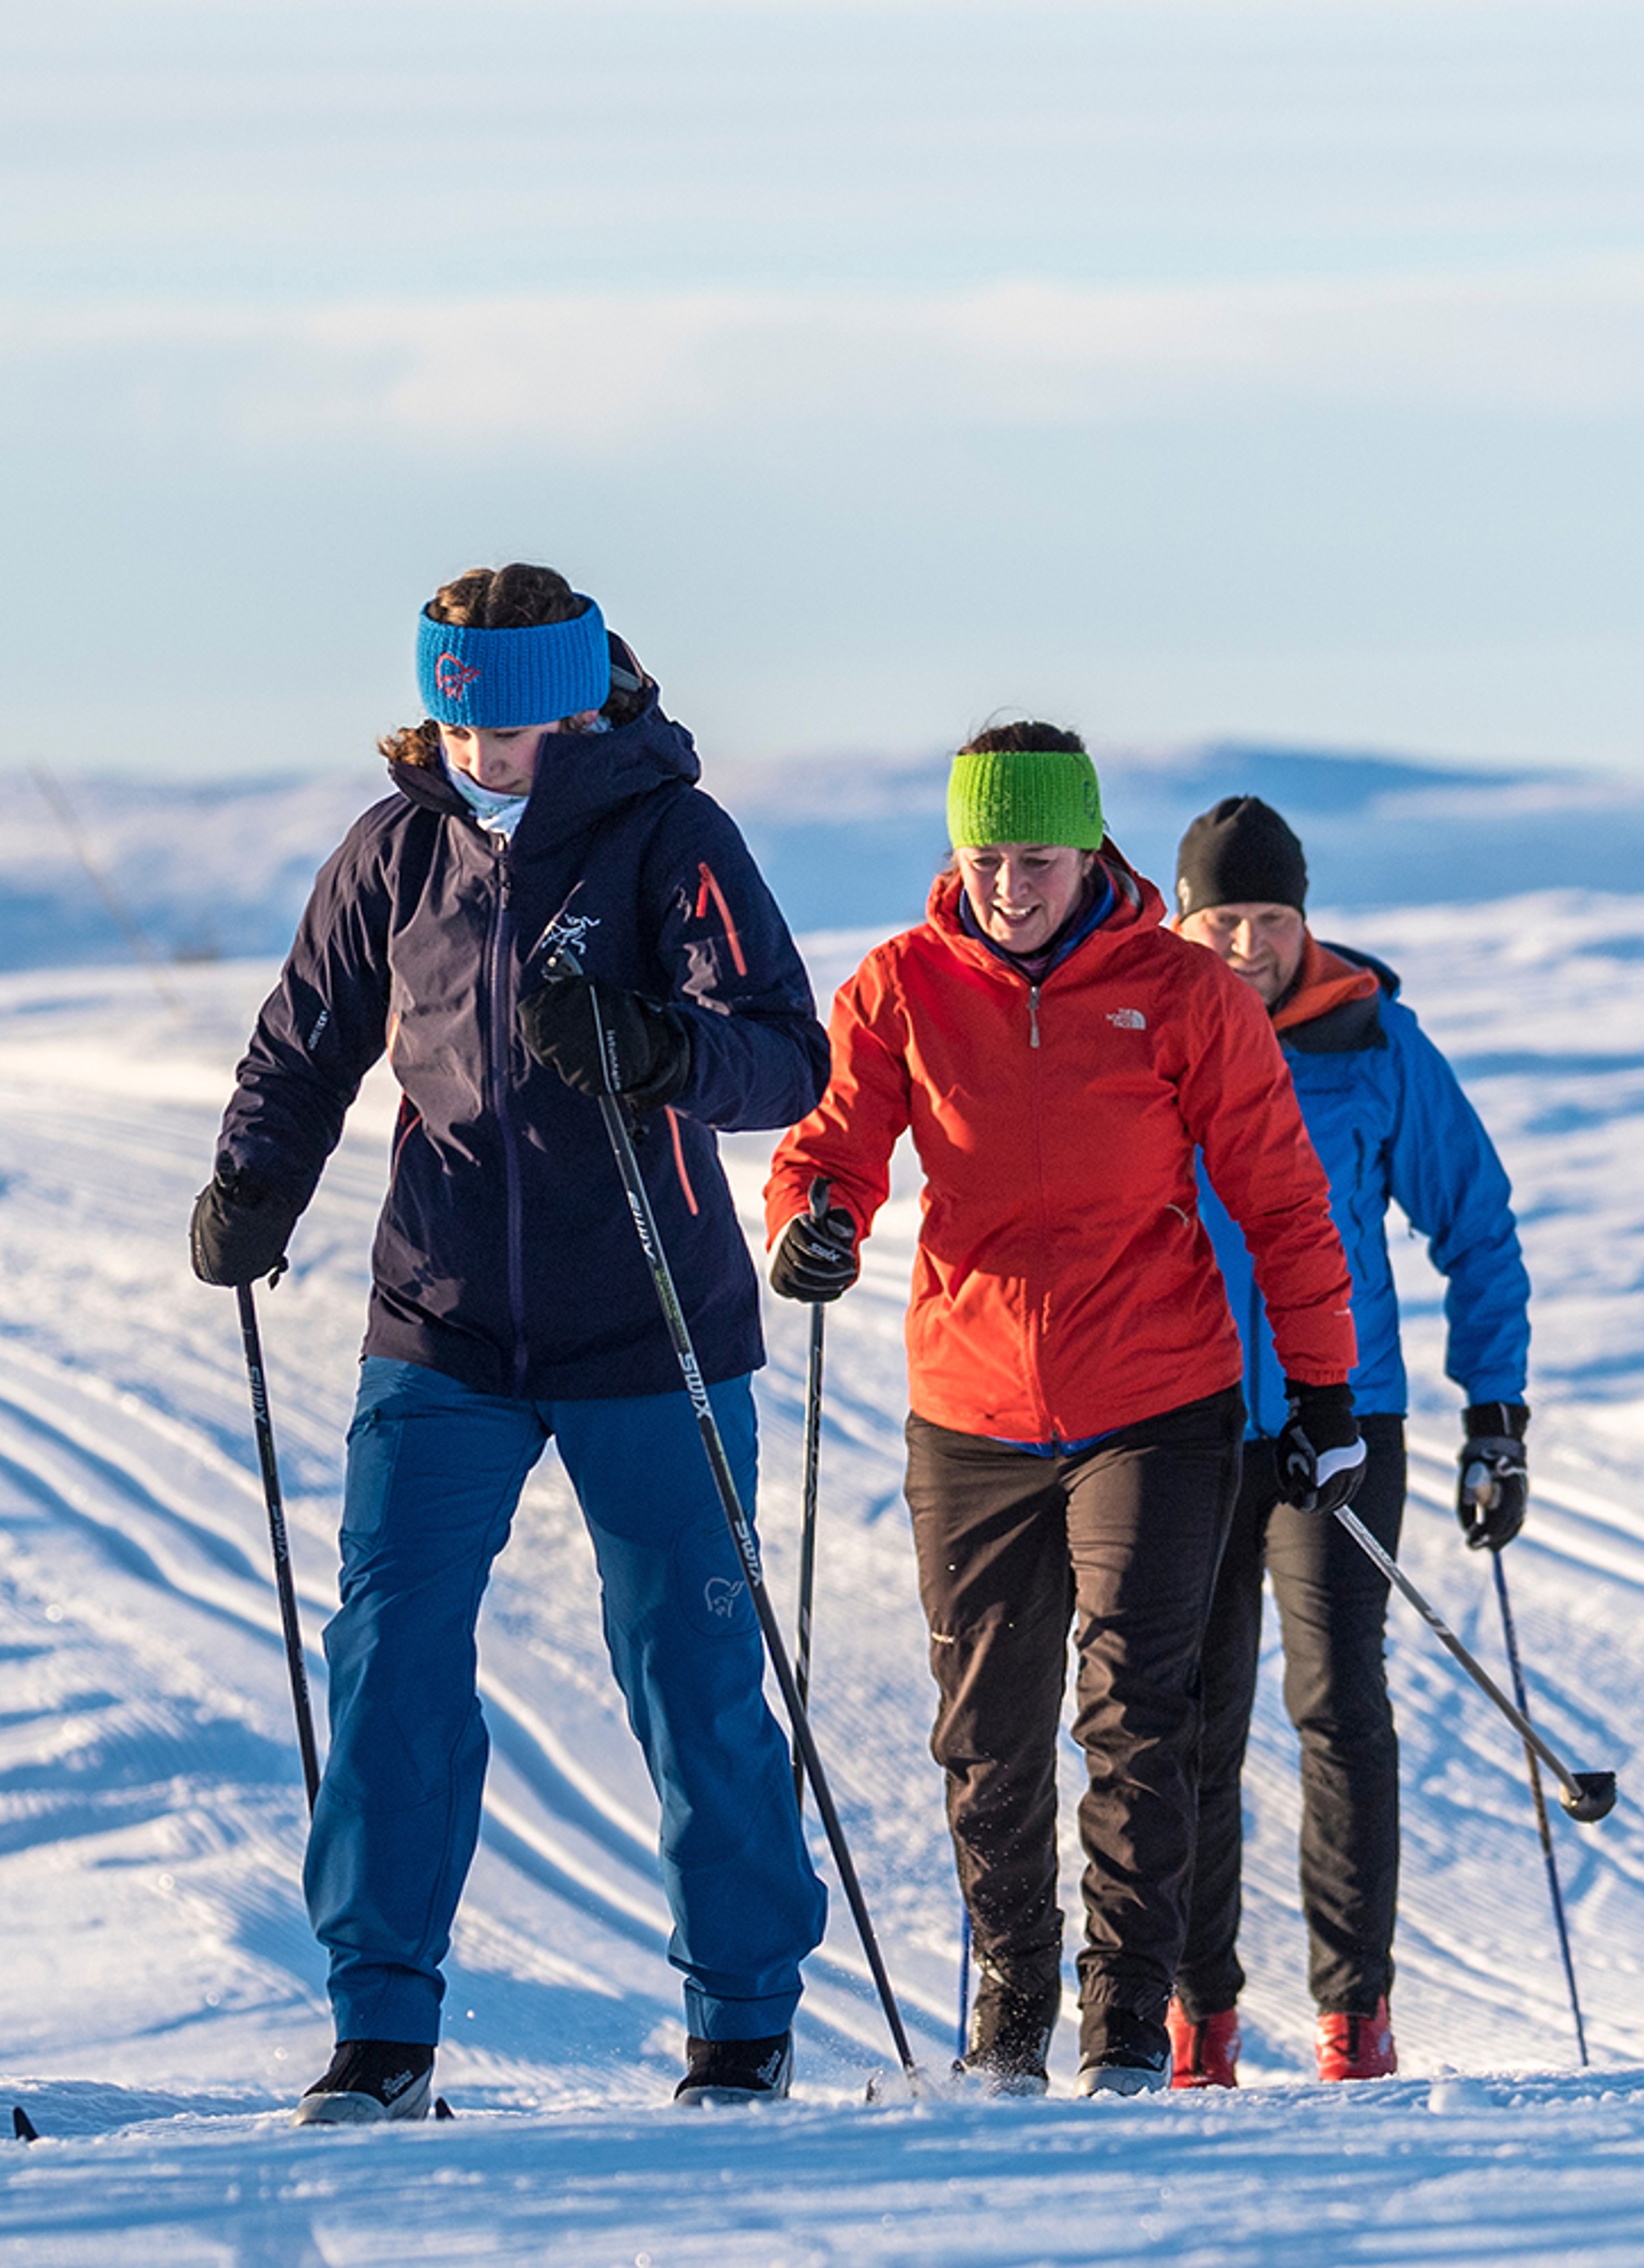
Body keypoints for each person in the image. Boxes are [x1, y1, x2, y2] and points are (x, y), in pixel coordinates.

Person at [190, 563, 829, 2120]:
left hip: (652, 1322)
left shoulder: (674, 834)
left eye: (520, 720)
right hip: (442, 1321)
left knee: (691, 1670)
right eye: (464, 721)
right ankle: (382, 2029)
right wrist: (256, 1183)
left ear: (581, 694)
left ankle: (744, 2022)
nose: (489, 752)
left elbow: (785, 1056)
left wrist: (663, 1047)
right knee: (393, 1656)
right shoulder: (393, 851)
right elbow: (308, 1038)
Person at [765, 725, 1362, 2098]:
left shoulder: (1180, 992)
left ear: (1088, 850)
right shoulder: (904, 985)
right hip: (970, 1410)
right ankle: (1013, 2010)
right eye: (985, 859)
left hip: (1155, 1397)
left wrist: (1324, 1386)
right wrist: (815, 1220)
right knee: (985, 1729)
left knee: (1138, 1711)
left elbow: (1280, 1198)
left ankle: (1123, 2025)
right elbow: (831, 1146)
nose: (1007, 888)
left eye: (1033, 860)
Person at [1170, 794, 1531, 2087]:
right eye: (1226, 918)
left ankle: (1353, 2017)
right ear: (1186, 917)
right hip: (1186, 1417)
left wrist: (1497, 1415)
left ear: (1303, 918)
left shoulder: (1374, 1042)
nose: (1248, 944)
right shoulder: (1148, 1033)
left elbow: (1475, 1223)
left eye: (1272, 918)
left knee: (1339, 1711)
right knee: (1189, 1718)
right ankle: (1197, 2019)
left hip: (1344, 1416)